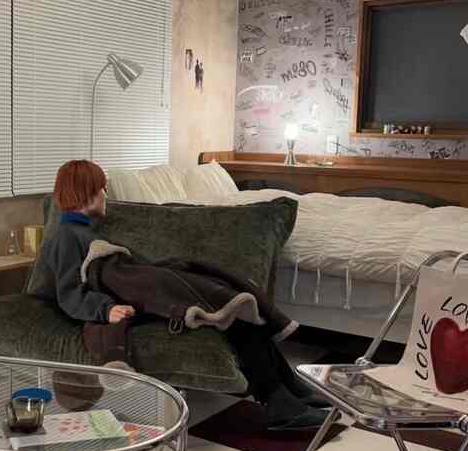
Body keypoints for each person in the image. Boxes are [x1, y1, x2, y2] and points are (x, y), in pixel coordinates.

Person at [39, 159, 330, 431]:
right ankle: (280, 403)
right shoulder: (66, 238)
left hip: (139, 297)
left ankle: (289, 388)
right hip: (133, 304)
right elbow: (69, 294)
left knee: (239, 310)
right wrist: (105, 310)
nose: (106, 194)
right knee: (236, 318)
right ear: (87, 193)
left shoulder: (86, 232)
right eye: (102, 188)